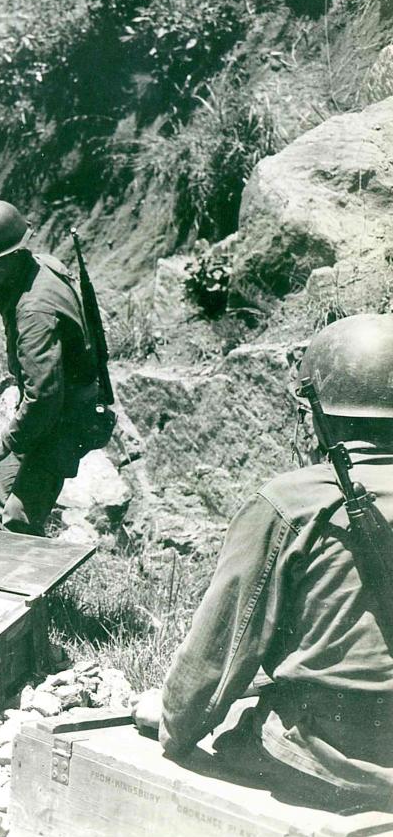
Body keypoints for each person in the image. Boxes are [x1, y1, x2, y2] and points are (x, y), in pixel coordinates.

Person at [134, 314, 393, 808]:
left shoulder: (291, 503)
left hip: (328, 758)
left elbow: (221, 653)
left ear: (317, 415)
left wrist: (171, 722)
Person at [0, 200, 102, 536]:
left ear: (10, 255)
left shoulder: (34, 310)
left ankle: (31, 587)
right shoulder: (41, 266)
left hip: (64, 418)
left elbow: (44, 395)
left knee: (15, 518)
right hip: (50, 413)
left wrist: (6, 441)